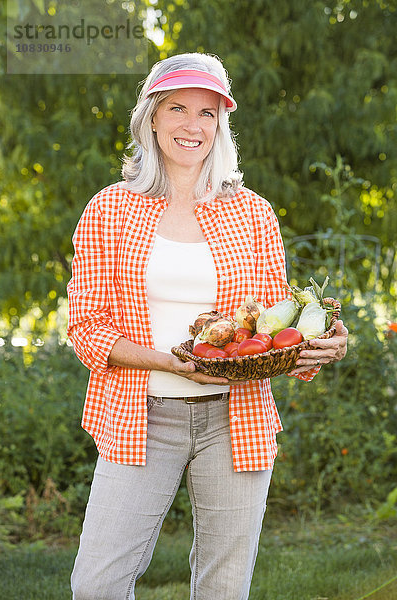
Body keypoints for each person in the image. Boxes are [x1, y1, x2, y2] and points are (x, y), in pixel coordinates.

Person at [67, 52, 348, 600]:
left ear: (221, 125)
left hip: (234, 416)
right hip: (138, 415)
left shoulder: (252, 213)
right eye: (178, 108)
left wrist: (318, 344)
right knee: (96, 585)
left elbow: (271, 325)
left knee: (223, 587)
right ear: (151, 117)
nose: (192, 126)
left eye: (208, 113)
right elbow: (87, 327)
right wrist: (171, 362)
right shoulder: (109, 209)